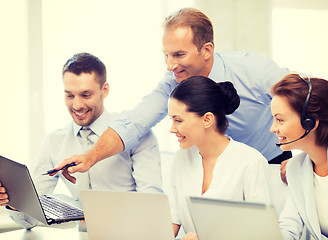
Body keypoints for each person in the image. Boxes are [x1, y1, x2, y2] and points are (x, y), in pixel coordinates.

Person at [55, 7, 291, 183]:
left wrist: (303, 160)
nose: (170, 65)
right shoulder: (173, 82)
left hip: (270, 165)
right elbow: (135, 121)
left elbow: (310, 98)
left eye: (178, 54)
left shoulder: (255, 72)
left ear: (206, 50)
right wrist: (91, 156)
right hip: (212, 171)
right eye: (166, 55)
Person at [0, 52, 162, 229]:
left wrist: (106, 217)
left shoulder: (135, 133)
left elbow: (152, 207)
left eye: (86, 95)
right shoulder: (54, 142)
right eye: (69, 95)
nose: (77, 105)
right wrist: (15, 203)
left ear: (104, 90)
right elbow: (31, 218)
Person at [168, 76, 271, 239]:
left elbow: (262, 233)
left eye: (178, 120)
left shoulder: (251, 162)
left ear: (207, 119)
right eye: (171, 120)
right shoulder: (181, 158)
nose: (172, 129)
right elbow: (172, 219)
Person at [270, 73, 328, 240]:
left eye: (280, 120)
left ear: (310, 122)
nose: (273, 128)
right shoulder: (295, 167)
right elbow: (290, 225)